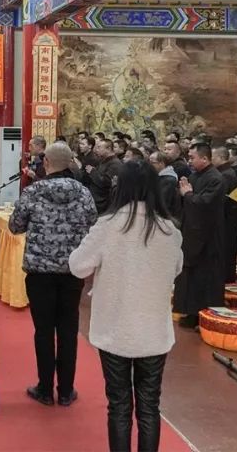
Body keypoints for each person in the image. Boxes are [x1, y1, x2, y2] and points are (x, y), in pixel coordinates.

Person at [69, 160, 182, 452]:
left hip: (115, 328)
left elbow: (78, 266)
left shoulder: (108, 225)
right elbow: (176, 268)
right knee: (150, 405)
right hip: (154, 330)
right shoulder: (169, 230)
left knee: (119, 404)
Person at [9, 142, 97, 407]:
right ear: (70, 162)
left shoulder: (34, 191)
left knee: (44, 330)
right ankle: (67, 390)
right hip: (72, 271)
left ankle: (45, 389)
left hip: (40, 272)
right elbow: (93, 225)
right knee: (69, 330)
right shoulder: (83, 193)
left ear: (46, 162)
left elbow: (15, 226)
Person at [172, 143, 226, 328]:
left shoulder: (216, 178)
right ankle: (190, 312)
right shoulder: (194, 176)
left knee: (205, 277)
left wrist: (187, 195)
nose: (190, 161)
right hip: (191, 233)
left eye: (192, 157)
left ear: (204, 158)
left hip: (208, 236)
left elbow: (205, 203)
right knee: (189, 276)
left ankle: (204, 316)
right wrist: (182, 194)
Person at [212, 146, 237, 283]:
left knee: (225, 249)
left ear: (221, 158)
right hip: (228, 217)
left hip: (226, 218)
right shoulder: (226, 172)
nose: (211, 160)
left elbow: (221, 199)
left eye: (213, 157)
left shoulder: (225, 175)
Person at [85, 139, 122, 215]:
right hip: (96, 200)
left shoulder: (115, 164)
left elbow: (105, 182)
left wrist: (92, 172)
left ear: (108, 149)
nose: (96, 150)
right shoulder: (103, 160)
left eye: (99, 147)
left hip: (103, 203)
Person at [149, 151, 181, 227]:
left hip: (165, 220)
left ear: (161, 163)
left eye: (152, 163)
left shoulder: (169, 180)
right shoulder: (157, 177)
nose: (149, 165)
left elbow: (163, 202)